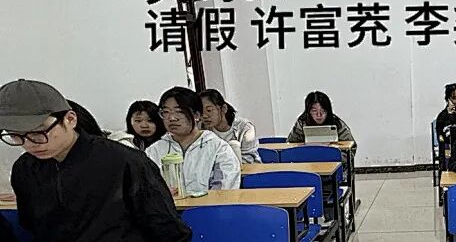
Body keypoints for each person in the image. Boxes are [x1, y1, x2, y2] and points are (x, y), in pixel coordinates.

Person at [0, 79, 191, 241]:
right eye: (16, 136)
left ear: (70, 119)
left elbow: (169, 231)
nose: (30, 144)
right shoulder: (25, 169)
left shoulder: (124, 161)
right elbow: (32, 225)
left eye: (39, 132)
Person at [145, 87, 241, 193]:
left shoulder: (219, 148)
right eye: (166, 112)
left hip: (209, 204)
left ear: (197, 115)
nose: (172, 118)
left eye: (179, 112)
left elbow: (224, 191)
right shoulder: (154, 151)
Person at [198, 89, 261, 163]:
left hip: (248, 169)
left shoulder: (245, 127)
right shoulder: (202, 129)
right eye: (201, 112)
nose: (204, 116)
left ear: (223, 109)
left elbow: (248, 160)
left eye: (209, 110)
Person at [287, 91, 355, 144]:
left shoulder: (337, 123)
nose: (319, 115)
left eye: (323, 110)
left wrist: (337, 155)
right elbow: (290, 145)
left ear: (328, 111)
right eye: (314, 111)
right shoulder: (301, 123)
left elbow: (350, 147)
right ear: (308, 112)